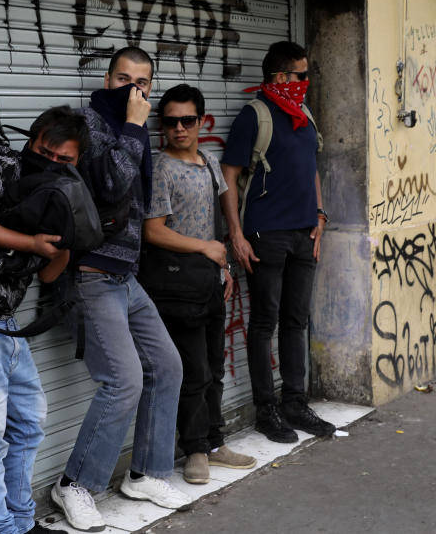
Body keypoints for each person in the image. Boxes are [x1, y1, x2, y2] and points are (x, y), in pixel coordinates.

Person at [50, 47, 189, 533]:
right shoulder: (89, 124)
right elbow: (111, 185)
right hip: (91, 275)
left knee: (167, 366)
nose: (135, 89)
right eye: (125, 79)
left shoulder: (132, 126)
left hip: (124, 275)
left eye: (144, 81)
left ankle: (146, 474)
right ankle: (76, 485)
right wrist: (133, 126)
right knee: (123, 380)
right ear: (107, 79)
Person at [0, 106, 87, 534]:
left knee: (28, 424)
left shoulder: (67, 188)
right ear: (33, 140)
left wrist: (63, 245)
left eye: (66, 160)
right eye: (46, 152)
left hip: (7, 323)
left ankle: (21, 522)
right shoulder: (7, 163)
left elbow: (47, 273)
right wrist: (30, 240)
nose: (52, 164)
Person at [220, 41, 335, 443]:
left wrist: (319, 216)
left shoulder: (303, 113)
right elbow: (229, 176)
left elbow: (312, 168)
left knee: (296, 320)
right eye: (302, 75)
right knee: (264, 322)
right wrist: (236, 234)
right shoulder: (255, 116)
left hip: (304, 235)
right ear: (281, 78)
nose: (307, 83)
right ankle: (266, 408)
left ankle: (294, 402)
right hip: (265, 235)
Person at [142, 84, 257, 485]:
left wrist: (222, 266)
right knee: (193, 371)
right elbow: (152, 231)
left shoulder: (208, 162)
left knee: (214, 368)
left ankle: (213, 441)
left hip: (209, 282)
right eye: (170, 121)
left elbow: (214, 225)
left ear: (201, 122)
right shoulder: (160, 169)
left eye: (187, 120)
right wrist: (206, 249)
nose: (178, 128)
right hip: (176, 286)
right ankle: (193, 449)